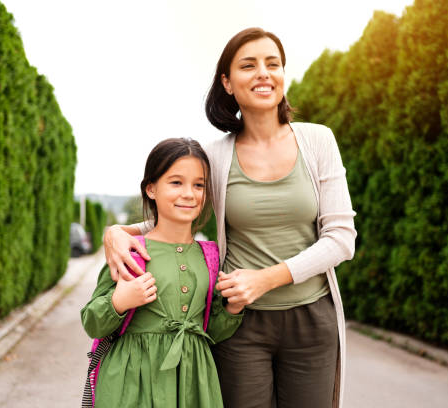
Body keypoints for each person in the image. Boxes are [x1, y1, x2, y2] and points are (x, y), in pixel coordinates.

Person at [103, 27, 356, 408]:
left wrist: (266, 279)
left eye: (273, 64)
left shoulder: (318, 141)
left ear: (283, 75)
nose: (263, 74)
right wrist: (117, 232)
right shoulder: (216, 156)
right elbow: (179, 211)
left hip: (311, 320)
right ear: (227, 82)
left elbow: (341, 237)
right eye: (248, 65)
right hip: (240, 322)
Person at [81, 138, 244, 408]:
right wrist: (119, 302)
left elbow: (210, 330)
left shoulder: (210, 255)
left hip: (194, 384)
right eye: (176, 182)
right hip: (132, 385)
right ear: (151, 189)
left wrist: (232, 309)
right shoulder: (130, 252)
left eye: (199, 184)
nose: (189, 194)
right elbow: (92, 322)